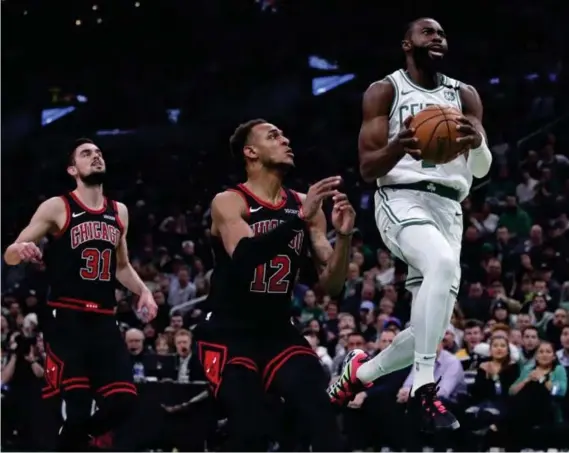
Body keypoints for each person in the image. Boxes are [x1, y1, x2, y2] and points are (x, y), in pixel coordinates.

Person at [329, 17, 492, 433]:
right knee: (441, 265)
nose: (437, 38)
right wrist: (398, 144)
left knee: (428, 322)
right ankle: (424, 389)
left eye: (442, 33)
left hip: (450, 206)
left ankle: (362, 373)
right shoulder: (386, 90)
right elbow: (367, 168)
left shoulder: (465, 94)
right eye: (428, 32)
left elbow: (482, 169)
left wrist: (477, 145)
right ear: (407, 43)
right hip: (401, 198)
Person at [194, 119, 354, 451]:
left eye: (283, 134)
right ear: (250, 152)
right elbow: (244, 257)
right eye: (273, 136)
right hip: (228, 332)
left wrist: (345, 237)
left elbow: (333, 285)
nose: (285, 140)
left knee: (320, 411)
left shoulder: (304, 205)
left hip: (277, 330)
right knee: (249, 429)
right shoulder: (229, 201)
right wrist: (298, 217)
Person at [3, 138, 158, 451]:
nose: (96, 156)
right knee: (77, 405)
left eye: (99, 152)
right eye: (87, 154)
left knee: (124, 402)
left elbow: (122, 266)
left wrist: (144, 291)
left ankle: (68, 441)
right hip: (67, 319)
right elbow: (10, 254)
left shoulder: (120, 212)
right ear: (72, 168)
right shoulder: (58, 206)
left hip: (104, 320)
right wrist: (22, 249)